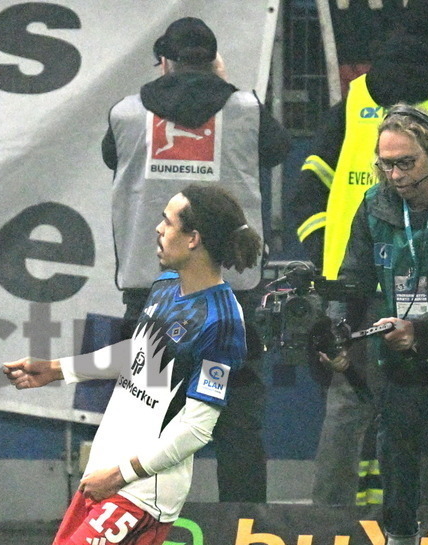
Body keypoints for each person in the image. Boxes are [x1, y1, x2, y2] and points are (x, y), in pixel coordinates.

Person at [4, 185, 267, 545]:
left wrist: (122, 475)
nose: (157, 230)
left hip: (144, 484)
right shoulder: (165, 286)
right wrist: (57, 369)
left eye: (167, 221)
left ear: (193, 238)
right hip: (112, 463)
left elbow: (197, 429)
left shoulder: (223, 321)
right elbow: (140, 356)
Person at [102, 17, 290, 503]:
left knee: (145, 426)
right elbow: (278, 149)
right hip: (231, 297)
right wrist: (220, 85)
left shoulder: (125, 114)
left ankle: (133, 540)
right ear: (213, 59)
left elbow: (112, 158)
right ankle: (246, 544)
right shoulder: (245, 109)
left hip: (150, 296)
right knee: (238, 424)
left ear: (165, 60)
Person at [293, 1, 428, 506]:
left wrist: (322, 252)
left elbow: (309, 184)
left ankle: (322, 527)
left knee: (347, 401)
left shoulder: (355, 99)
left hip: (353, 283)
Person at [321, 105, 428, 545]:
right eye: (386, 164)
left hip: (423, 336)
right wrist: (339, 335)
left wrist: (425, 332)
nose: (395, 175)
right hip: (403, 352)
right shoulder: (375, 205)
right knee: (396, 446)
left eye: (406, 163)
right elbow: (353, 281)